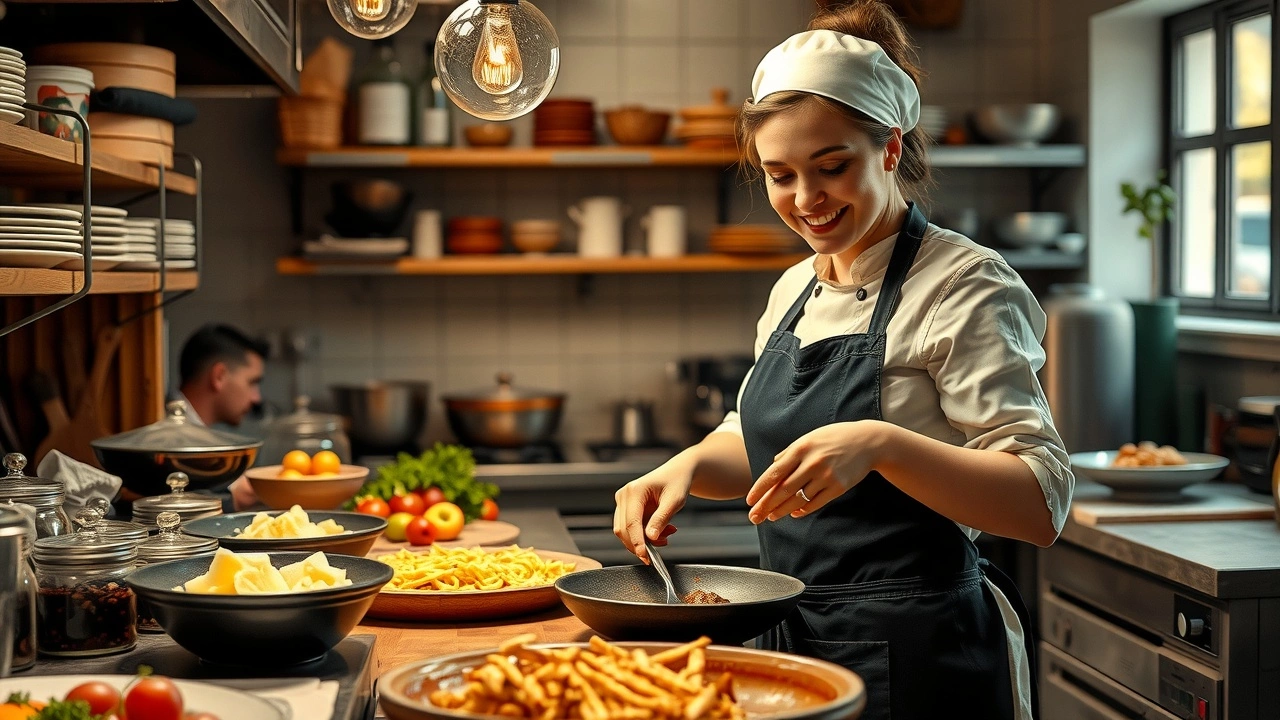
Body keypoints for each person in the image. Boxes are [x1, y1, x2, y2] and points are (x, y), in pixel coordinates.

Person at [612, 3, 1073, 719]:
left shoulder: (964, 284)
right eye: (779, 175)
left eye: (831, 167)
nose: (805, 201)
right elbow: (753, 438)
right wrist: (689, 466)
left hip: (922, 654)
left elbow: (1042, 501)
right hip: (792, 644)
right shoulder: (796, 284)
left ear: (890, 148)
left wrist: (882, 445)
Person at [174, 323, 268, 511]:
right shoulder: (164, 438)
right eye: (252, 382)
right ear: (219, 376)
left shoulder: (198, 436)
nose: (257, 398)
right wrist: (230, 501)